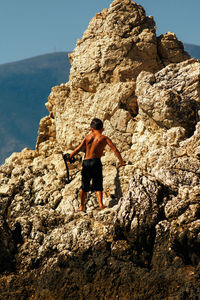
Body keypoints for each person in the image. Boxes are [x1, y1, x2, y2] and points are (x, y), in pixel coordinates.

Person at [68, 118, 126, 212]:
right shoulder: (104, 138)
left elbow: (78, 148)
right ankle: (101, 204)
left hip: (86, 162)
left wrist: (70, 156)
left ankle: (82, 206)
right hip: (96, 162)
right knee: (98, 184)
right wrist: (121, 162)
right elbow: (115, 150)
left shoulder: (87, 137)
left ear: (91, 128)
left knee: (84, 185)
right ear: (102, 129)